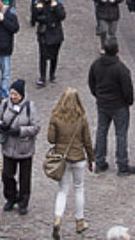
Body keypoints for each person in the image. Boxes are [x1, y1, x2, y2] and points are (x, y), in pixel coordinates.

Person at [46, 88, 95, 240]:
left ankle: (57, 219)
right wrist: (91, 158)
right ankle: (79, 221)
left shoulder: (55, 117)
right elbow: (87, 140)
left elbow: (51, 139)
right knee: (79, 188)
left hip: (62, 159)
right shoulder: (82, 118)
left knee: (62, 191)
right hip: (78, 158)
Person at [86, 37, 134, 174]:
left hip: (103, 104)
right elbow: (127, 89)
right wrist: (128, 102)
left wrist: (98, 95)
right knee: (121, 134)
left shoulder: (96, 65)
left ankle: (99, 161)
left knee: (101, 131)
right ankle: (122, 164)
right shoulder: (121, 68)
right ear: (117, 50)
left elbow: (91, 82)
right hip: (119, 105)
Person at [0, 78, 40, 216]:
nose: (13, 97)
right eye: (11, 93)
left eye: (16, 94)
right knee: (7, 175)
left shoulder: (30, 107)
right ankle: (11, 197)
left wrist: (20, 131)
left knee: (24, 178)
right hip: (8, 147)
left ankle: (23, 202)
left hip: (25, 148)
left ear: (21, 95)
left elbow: (36, 127)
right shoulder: (4, 104)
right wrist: (0, 124)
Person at [30, 0, 66, 87]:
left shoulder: (56, 4)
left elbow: (62, 16)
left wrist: (55, 8)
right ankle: (42, 76)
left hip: (55, 33)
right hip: (44, 33)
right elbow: (34, 18)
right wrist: (38, 10)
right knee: (43, 56)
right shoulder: (38, 4)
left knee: (54, 55)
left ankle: (52, 74)